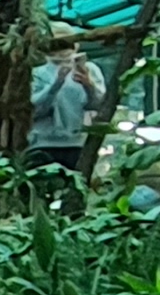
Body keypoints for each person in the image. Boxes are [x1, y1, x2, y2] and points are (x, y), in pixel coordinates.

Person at [25, 34, 112, 208]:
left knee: (75, 195)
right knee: (40, 196)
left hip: (76, 143)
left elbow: (100, 105)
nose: (61, 52)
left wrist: (88, 84)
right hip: (43, 143)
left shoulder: (90, 69)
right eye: (56, 46)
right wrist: (56, 84)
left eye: (65, 45)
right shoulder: (38, 73)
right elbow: (34, 110)